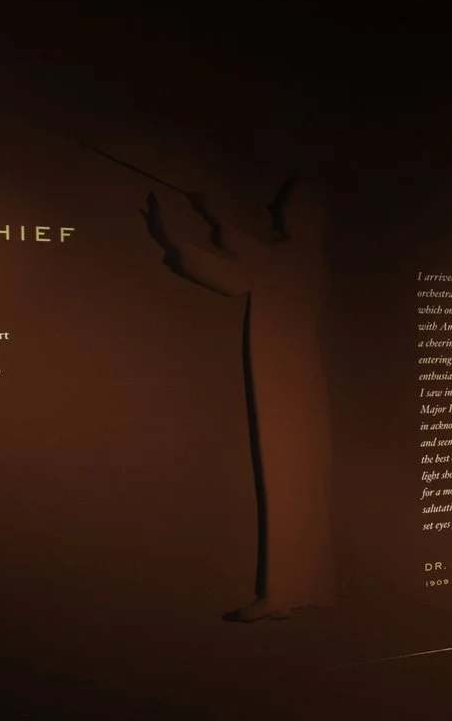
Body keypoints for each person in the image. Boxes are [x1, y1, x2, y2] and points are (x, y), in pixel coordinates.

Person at [139, 180, 338, 622]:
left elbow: (247, 266)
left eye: (282, 206)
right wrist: (171, 237)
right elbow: (234, 276)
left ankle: (291, 589)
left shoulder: (300, 258)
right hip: (288, 377)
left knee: (290, 480)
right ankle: (304, 585)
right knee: (291, 480)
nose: (273, 211)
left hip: (289, 381)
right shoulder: (291, 259)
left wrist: (210, 218)